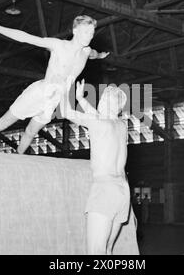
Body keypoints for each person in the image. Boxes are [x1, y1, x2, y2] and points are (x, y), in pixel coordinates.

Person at [0, 15, 109, 166]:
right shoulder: (58, 45)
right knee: (5, 121)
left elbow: (94, 54)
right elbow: (25, 37)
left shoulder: (87, 52)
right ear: (75, 31)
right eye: (86, 32)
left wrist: (101, 55)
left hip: (53, 101)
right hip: (40, 93)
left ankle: (17, 159)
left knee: (31, 132)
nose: (89, 36)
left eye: (91, 33)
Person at [60, 79, 129, 255]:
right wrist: (81, 99)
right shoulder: (121, 126)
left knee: (95, 253)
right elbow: (100, 116)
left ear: (104, 102)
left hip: (105, 188)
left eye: (103, 97)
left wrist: (62, 86)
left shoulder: (98, 123)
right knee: (107, 250)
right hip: (122, 190)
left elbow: (65, 111)